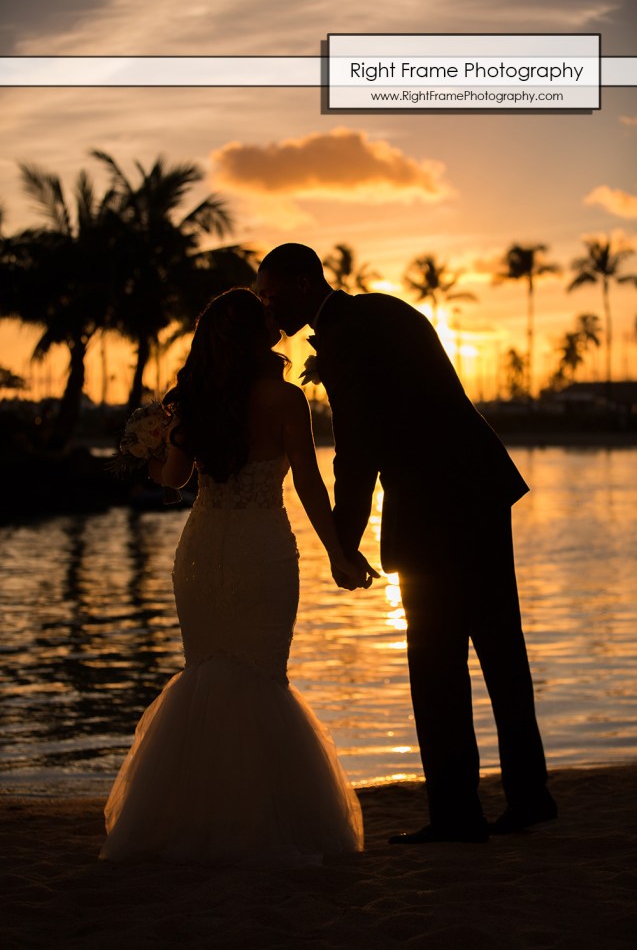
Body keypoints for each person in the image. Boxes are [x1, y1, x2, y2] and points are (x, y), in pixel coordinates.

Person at [257, 243, 557, 844]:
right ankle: (529, 798)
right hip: (478, 491)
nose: (266, 306)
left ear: (299, 281)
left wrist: (344, 544)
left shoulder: (346, 338)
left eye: (269, 293)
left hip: (433, 507)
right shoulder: (383, 312)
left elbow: (357, 450)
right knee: (500, 648)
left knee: (435, 661)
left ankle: (457, 815)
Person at [99, 288, 363, 866]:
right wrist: (340, 553)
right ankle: (263, 821)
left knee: (206, 671)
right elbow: (312, 488)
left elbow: (171, 480)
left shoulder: (196, 400)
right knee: (262, 675)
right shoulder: (287, 400)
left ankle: (192, 818)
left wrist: (144, 451)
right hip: (263, 547)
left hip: (200, 551)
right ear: (256, 336)